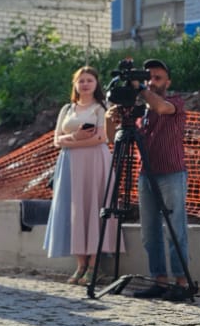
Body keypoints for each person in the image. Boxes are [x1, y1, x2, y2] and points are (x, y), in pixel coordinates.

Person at [109, 58, 191, 301]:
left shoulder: (174, 101)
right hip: (146, 174)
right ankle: (159, 280)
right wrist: (110, 117)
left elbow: (162, 108)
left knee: (175, 228)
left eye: (157, 78)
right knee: (150, 231)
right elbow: (111, 139)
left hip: (172, 172)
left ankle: (181, 282)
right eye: (149, 78)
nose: (152, 82)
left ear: (168, 81)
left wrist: (141, 89)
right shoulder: (140, 111)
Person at [43, 66, 120, 284]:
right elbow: (56, 140)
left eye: (89, 80)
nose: (85, 84)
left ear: (96, 84)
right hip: (69, 163)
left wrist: (71, 140)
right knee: (74, 209)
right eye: (81, 80)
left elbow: (101, 138)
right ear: (75, 85)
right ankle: (80, 264)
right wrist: (75, 137)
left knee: (94, 207)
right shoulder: (67, 109)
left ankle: (95, 265)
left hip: (95, 161)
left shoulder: (101, 108)